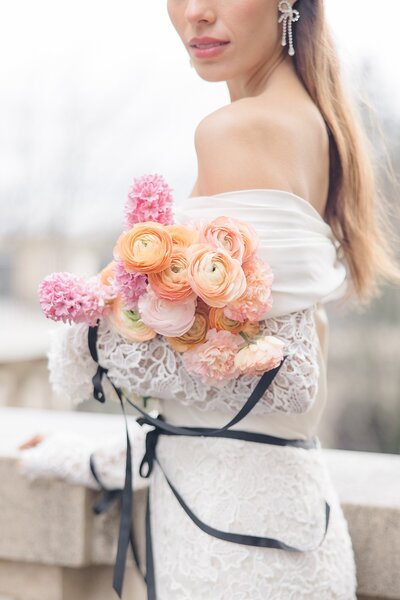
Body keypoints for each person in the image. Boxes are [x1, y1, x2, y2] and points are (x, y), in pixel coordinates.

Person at [18, 1, 400, 598]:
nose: (196, 13)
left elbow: (286, 376)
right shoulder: (309, 120)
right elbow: (235, 386)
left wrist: (95, 339)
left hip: (239, 550)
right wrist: (93, 460)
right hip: (267, 526)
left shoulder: (241, 129)